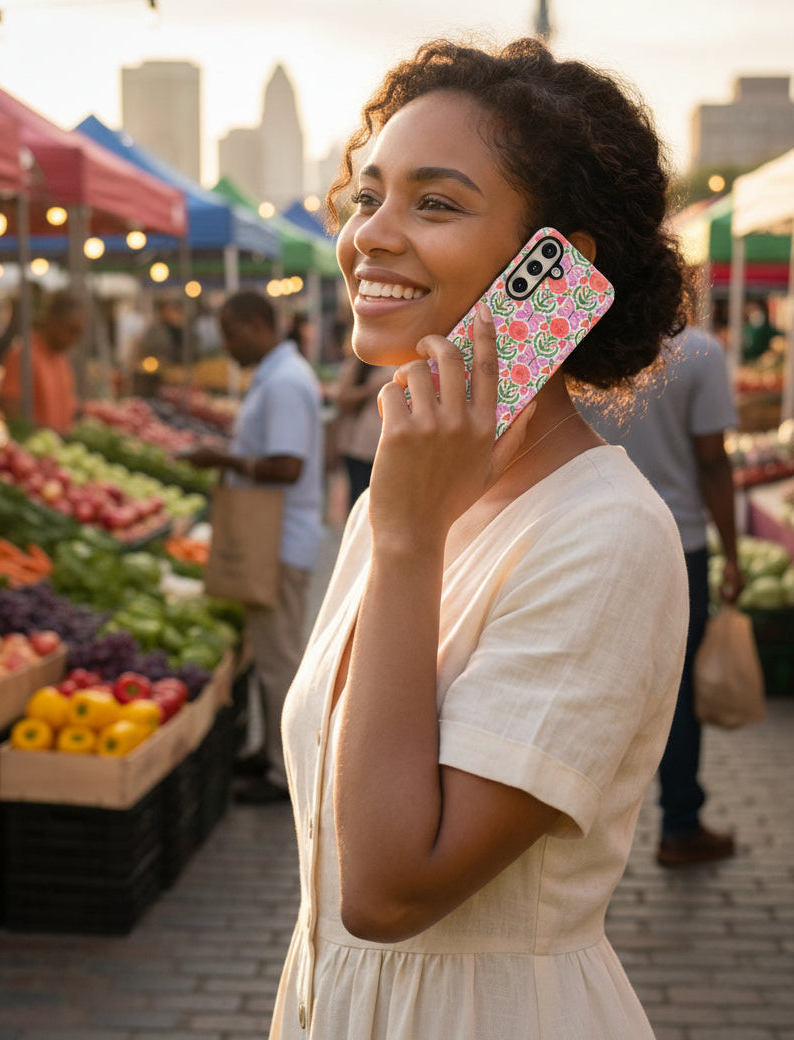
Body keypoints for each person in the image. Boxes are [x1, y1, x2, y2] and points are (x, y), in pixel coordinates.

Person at [269, 38, 691, 1039]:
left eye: (436, 203)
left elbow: (386, 888)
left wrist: (411, 536)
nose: (371, 233)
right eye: (366, 195)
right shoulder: (408, 494)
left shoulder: (605, 535)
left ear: (555, 271)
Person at [578, 325, 745, 867]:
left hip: (580, 537)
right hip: (677, 545)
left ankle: (568, 834)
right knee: (674, 696)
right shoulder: (700, 353)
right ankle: (679, 824)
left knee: (581, 683)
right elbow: (713, 461)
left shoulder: (573, 339)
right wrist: (733, 555)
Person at [185, 291, 324, 803]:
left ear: (255, 325)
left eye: (229, 331)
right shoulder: (277, 376)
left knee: (279, 660)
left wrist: (224, 460)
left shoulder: (284, 383)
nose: (225, 344)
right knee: (270, 656)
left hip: (280, 539)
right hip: (276, 537)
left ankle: (283, 772)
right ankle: (271, 752)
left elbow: (287, 467)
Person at [0, 290, 84, 432]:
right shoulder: (23, 355)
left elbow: (69, 404)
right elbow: (11, 411)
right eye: (71, 330)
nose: (74, 340)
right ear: (53, 321)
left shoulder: (61, 358)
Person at [333, 334, 394, 509]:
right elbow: (343, 398)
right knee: (360, 503)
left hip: (388, 448)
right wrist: (371, 389)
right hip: (360, 448)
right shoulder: (363, 358)